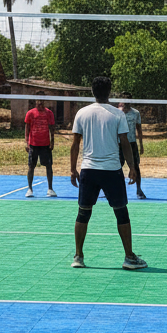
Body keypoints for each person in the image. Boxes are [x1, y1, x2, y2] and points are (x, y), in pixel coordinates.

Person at [69, 76, 147, 270]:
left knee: (83, 213)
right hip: (112, 171)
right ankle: (129, 257)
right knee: (121, 213)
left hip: (89, 170)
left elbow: (74, 144)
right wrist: (132, 167)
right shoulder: (117, 114)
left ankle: (78, 256)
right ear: (109, 92)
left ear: (92, 92)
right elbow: (126, 143)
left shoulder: (82, 113)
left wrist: (72, 169)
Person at [24, 94, 57, 198]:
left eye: (42, 101)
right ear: (35, 102)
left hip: (45, 144)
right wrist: (26, 143)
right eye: (38, 101)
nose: (40, 103)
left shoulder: (49, 113)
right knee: (31, 166)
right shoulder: (30, 113)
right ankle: (30, 189)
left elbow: (52, 128)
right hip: (33, 144)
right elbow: (27, 128)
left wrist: (52, 141)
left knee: (48, 166)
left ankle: (50, 189)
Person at [118, 94, 147, 199]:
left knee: (135, 167)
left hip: (132, 144)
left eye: (128, 99)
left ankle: (139, 190)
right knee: (116, 167)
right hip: (119, 143)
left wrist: (141, 144)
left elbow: (139, 129)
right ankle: (114, 190)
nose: (126, 101)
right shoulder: (117, 113)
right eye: (124, 99)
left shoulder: (136, 113)